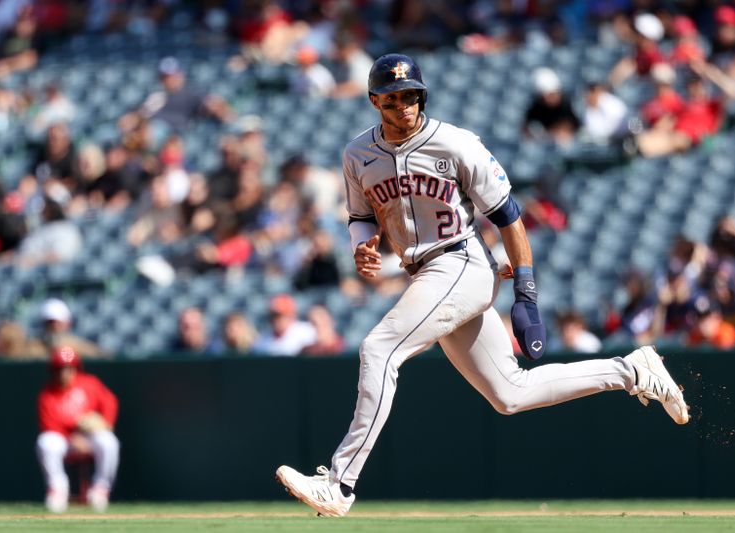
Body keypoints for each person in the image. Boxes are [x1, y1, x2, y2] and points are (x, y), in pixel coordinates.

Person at [275, 53, 690, 517]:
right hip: (423, 271)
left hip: (462, 263)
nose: (406, 106)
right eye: (394, 99)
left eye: (412, 96)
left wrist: (527, 290)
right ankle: (633, 370)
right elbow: (359, 217)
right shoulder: (357, 154)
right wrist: (360, 245)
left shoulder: (456, 144)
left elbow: (508, 216)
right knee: (509, 394)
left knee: (379, 349)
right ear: (375, 101)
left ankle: (340, 482)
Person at [36, 346, 120, 513]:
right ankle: (58, 489)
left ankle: (100, 489)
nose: (64, 373)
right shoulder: (47, 393)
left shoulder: (90, 383)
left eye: (68, 368)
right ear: (53, 371)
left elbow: (110, 403)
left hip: (90, 437)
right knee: (46, 442)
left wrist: (106, 422)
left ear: (76, 368)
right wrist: (71, 437)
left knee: (109, 442)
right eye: (60, 369)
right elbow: (49, 424)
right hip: (65, 440)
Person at [39, 298, 103, 357]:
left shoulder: (81, 347)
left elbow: (100, 354)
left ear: (68, 323)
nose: (54, 326)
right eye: (50, 323)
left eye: (58, 322)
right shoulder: (36, 348)